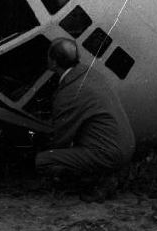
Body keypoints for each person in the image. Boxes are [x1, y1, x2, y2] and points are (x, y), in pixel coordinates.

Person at [35, 38, 135, 201]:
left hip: (109, 154)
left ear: (53, 63)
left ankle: (97, 183)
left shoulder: (68, 92)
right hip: (126, 146)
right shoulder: (91, 74)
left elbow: (61, 140)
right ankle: (109, 175)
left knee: (44, 160)